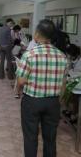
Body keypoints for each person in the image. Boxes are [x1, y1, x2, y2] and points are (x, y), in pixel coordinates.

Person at [16, 19, 67, 157]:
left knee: (30, 137)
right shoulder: (62, 56)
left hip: (32, 101)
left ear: (37, 34)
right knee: (50, 139)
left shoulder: (29, 54)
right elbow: (63, 84)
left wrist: (19, 92)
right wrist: (59, 101)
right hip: (53, 102)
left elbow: (20, 81)